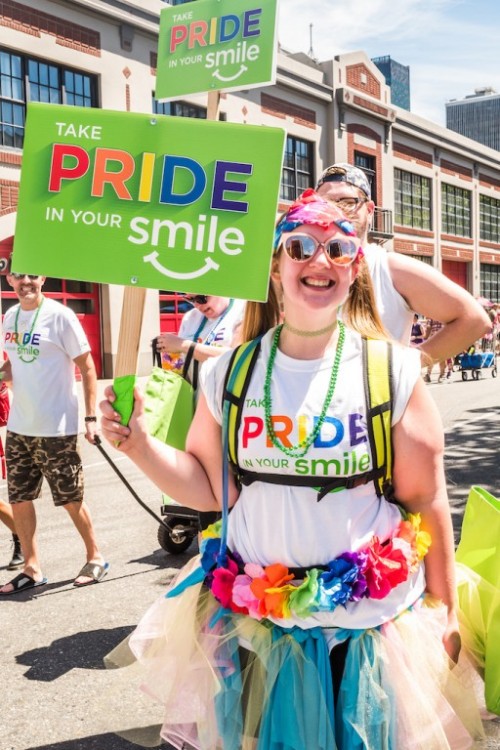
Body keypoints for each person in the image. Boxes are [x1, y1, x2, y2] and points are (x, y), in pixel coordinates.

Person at [100, 190, 484, 749]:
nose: (317, 259)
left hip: (368, 633)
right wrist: (137, 445)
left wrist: (445, 609)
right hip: (258, 630)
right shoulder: (227, 373)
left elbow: (426, 500)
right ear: (276, 268)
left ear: (355, 269)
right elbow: (211, 492)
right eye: (300, 246)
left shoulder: (393, 369)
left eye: (337, 248)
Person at [0, 271, 108, 595]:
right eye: (18, 276)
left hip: (56, 428)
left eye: (31, 275)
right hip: (20, 427)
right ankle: (31, 568)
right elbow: (13, 367)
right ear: (8, 278)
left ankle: (96, 557)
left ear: (43, 278)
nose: (25, 282)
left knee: (70, 498)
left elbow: (88, 367)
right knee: (19, 498)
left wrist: (90, 417)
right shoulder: (10, 317)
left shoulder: (61, 317)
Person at [316, 163, 491, 359]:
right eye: (327, 204)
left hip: (378, 389)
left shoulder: (389, 268)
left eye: (348, 202)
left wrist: (407, 366)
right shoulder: (305, 268)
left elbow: (474, 320)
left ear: (369, 209)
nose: (338, 211)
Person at [155, 294, 245, 377]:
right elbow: (180, 363)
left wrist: (183, 345)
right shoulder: (190, 317)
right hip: (194, 392)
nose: (197, 305)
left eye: (201, 298)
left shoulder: (242, 311)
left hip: (222, 392)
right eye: (191, 299)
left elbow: (235, 358)